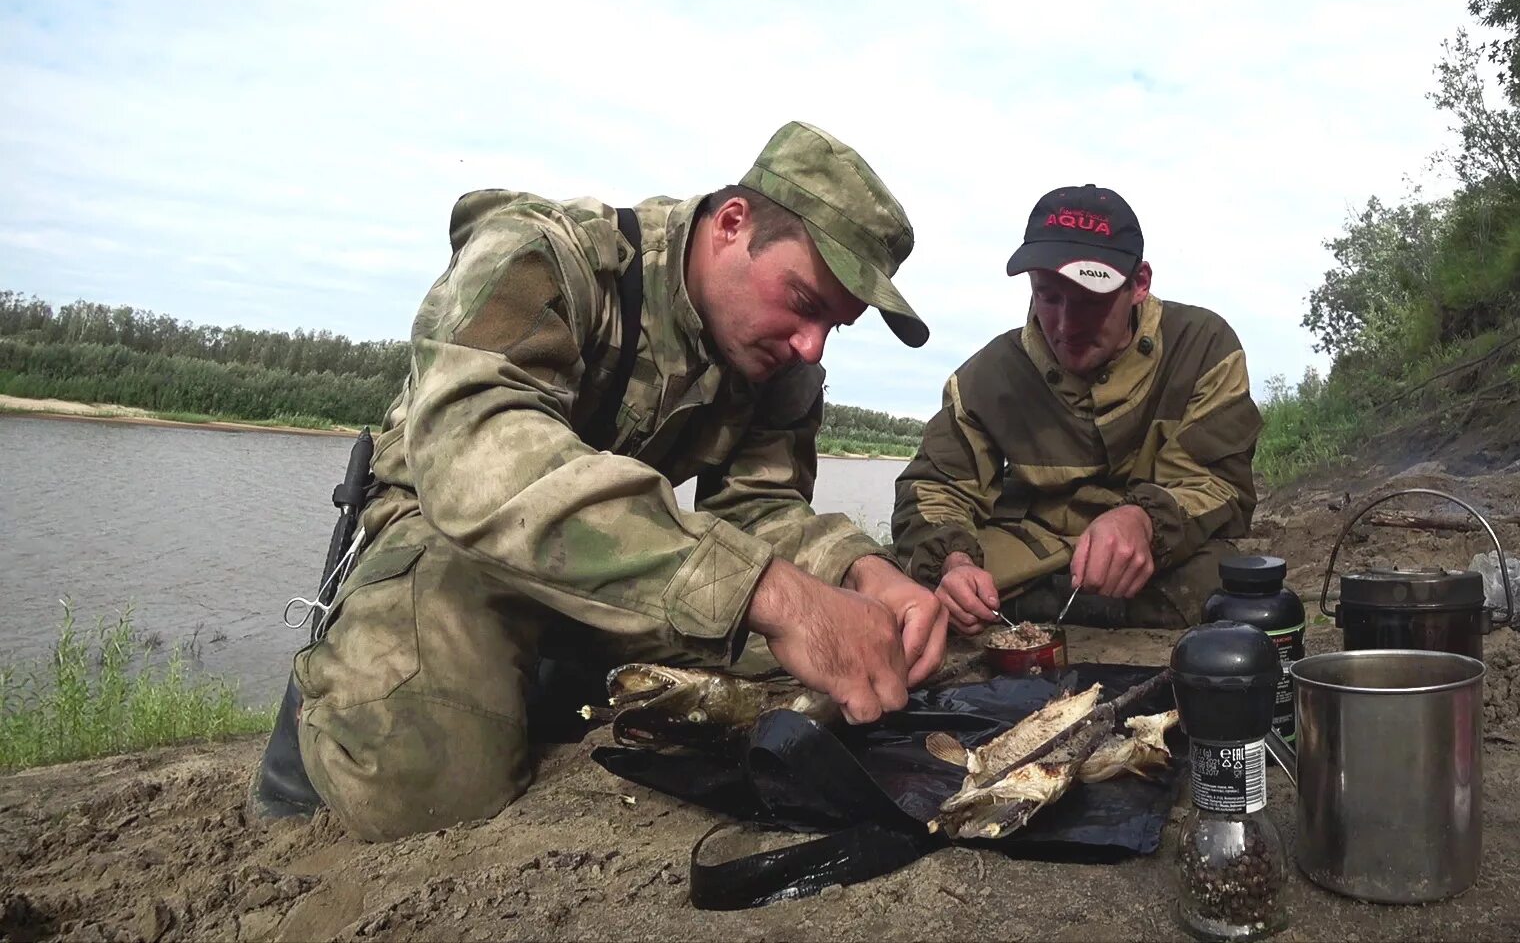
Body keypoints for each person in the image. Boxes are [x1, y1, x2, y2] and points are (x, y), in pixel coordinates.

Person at [250, 120, 947, 841]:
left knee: (810, 676)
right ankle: (320, 720)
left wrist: (860, 572)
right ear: (733, 224)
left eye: (838, 325)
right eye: (805, 303)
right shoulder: (546, 253)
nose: (812, 344)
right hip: (451, 540)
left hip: (615, 564)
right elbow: (474, 457)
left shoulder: (779, 364)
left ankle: (544, 678)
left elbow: (760, 508)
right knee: (423, 791)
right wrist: (772, 593)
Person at [892, 184, 1262, 632]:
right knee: (921, 587)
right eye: (1048, 296)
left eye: (1091, 301)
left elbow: (1219, 485)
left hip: (1160, 562)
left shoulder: (1204, 347)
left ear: (1139, 283)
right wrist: (953, 563)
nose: (1066, 325)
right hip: (1030, 559)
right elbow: (935, 488)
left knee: (1219, 581)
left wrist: (1143, 521)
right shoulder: (987, 377)